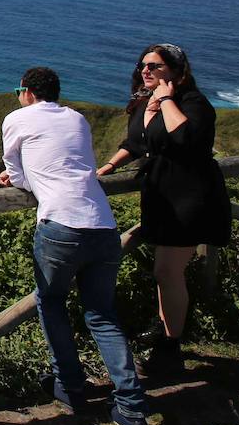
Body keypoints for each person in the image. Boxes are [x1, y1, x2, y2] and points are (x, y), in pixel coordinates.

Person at [0, 66, 153, 425]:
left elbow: (17, 173)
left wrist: (13, 179)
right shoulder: (77, 118)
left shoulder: (17, 118)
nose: (17, 95)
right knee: (102, 315)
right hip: (102, 225)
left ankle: (70, 385)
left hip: (60, 226)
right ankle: (132, 407)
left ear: (29, 92)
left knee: (51, 303)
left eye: (18, 89)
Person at [97, 43, 230, 375]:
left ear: (177, 71)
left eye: (154, 66)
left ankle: (171, 346)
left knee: (168, 272)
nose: (145, 71)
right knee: (164, 271)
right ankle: (165, 331)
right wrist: (108, 167)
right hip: (160, 194)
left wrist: (167, 99)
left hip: (189, 195)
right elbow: (136, 143)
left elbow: (185, 137)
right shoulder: (147, 102)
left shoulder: (193, 103)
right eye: (143, 65)